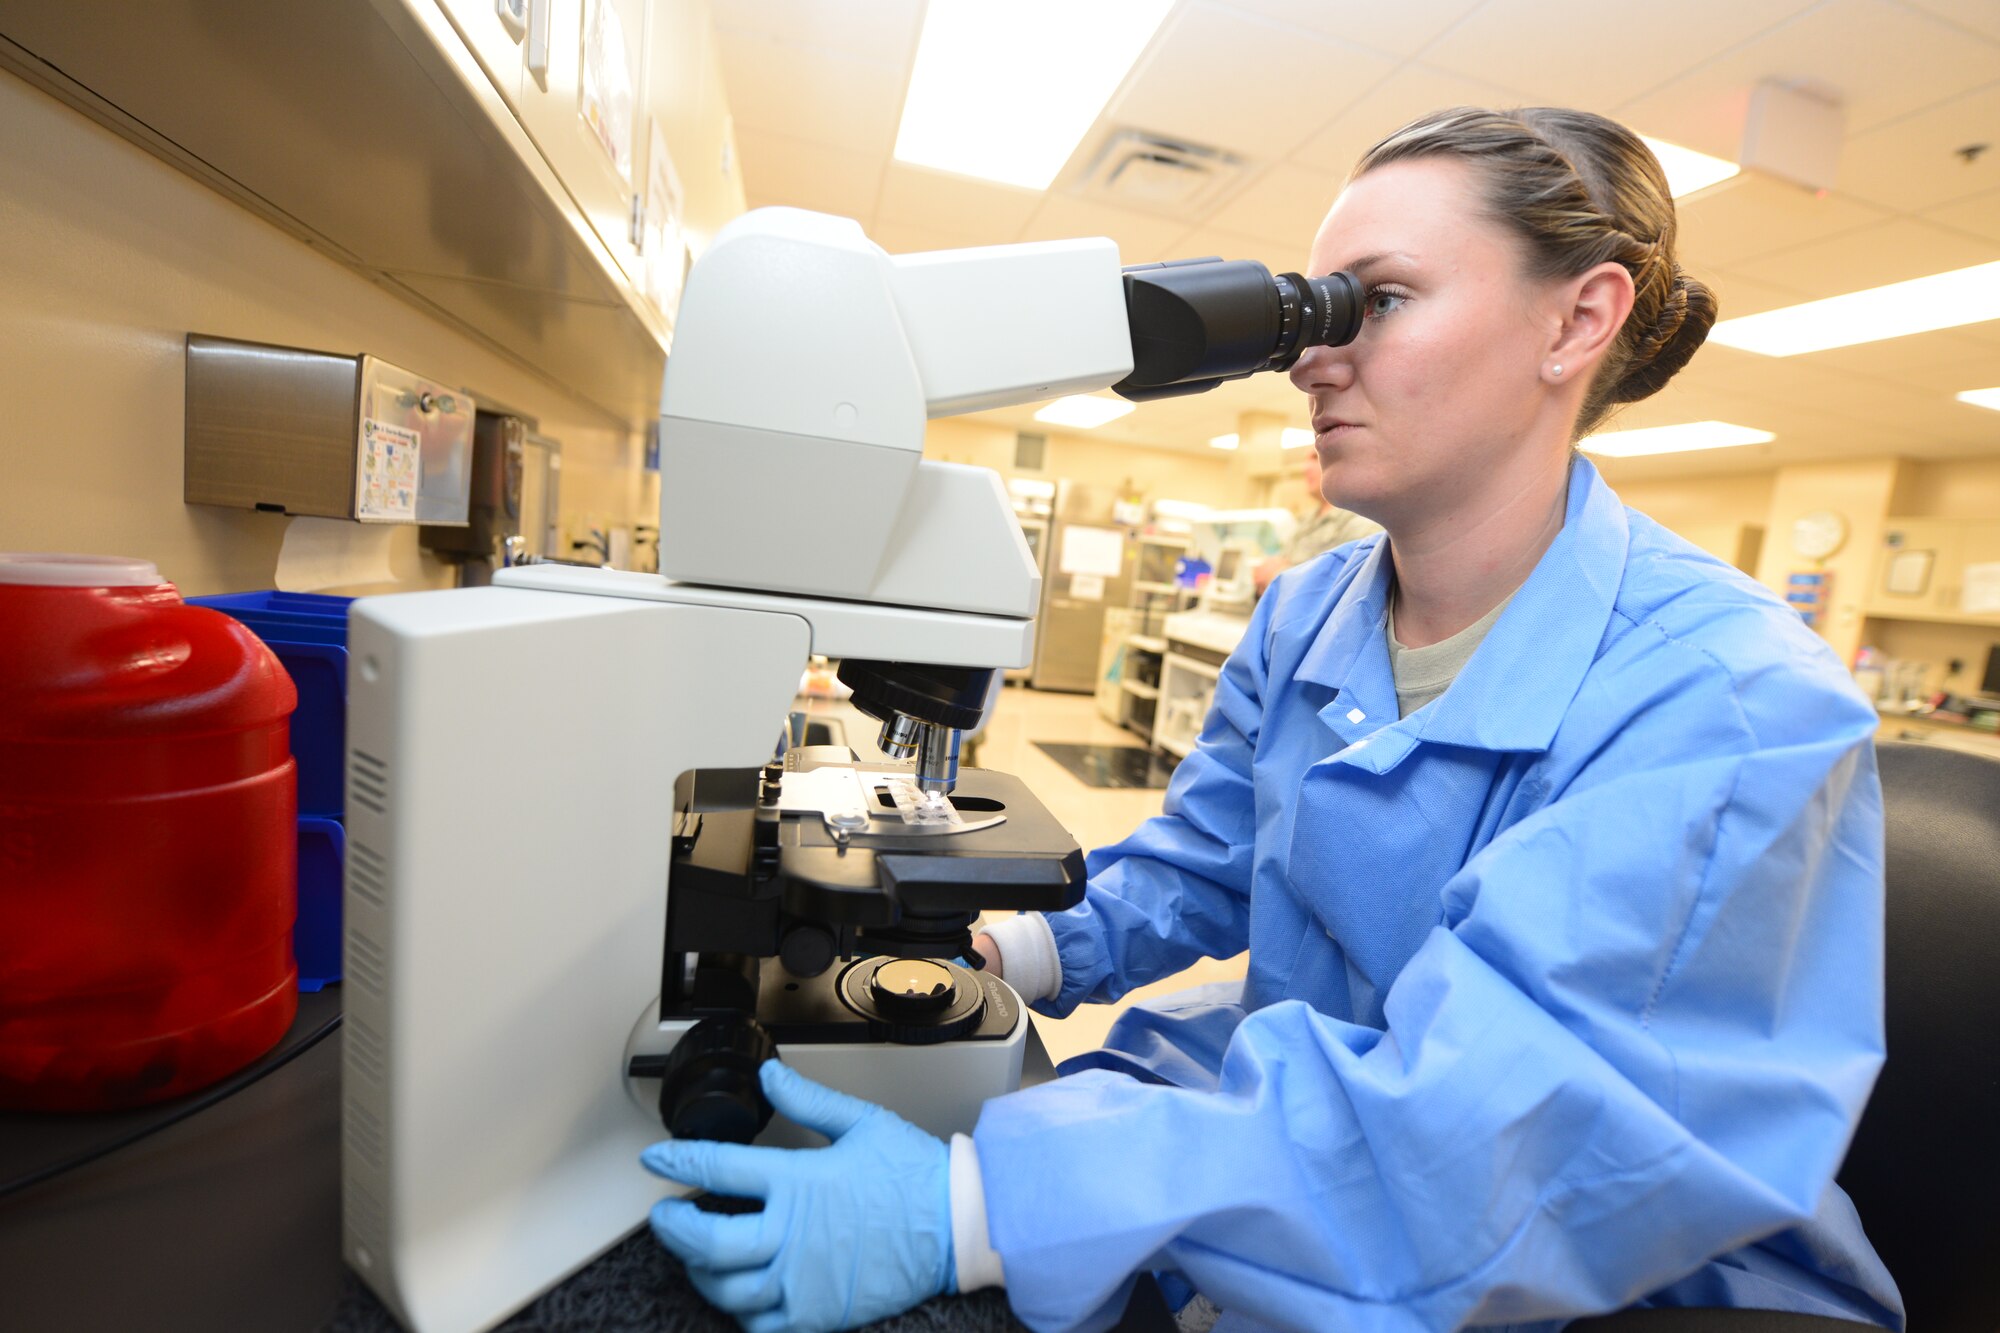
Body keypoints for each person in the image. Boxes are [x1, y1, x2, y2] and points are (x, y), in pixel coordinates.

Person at [638, 107, 1902, 1333]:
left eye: (1378, 300)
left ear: (1576, 320)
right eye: (1316, 306)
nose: (1308, 356)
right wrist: (999, 949)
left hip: (1603, 1281)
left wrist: (977, 1209)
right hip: (1307, 1174)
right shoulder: (1309, 611)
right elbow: (1206, 863)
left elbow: (1505, 1140)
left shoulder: (1731, 700)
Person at [1252, 448, 1379, 595]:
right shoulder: (1305, 521)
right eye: (1306, 460)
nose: (1306, 468)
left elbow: (1344, 587)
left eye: (1315, 458)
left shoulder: (1363, 521)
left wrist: (1277, 575)